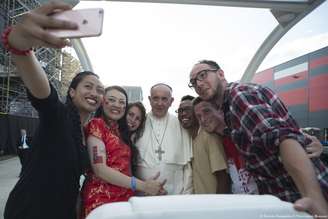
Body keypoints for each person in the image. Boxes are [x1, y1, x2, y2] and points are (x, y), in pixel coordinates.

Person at [3, 2, 105, 218]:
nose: (95, 93)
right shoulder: (58, 117)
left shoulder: (87, 132)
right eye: (88, 86)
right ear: (72, 92)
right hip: (30, 210)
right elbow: (45, 96)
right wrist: (19, 46)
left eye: (99, 90)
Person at [188, 59, 328, 216]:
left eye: (203, 75)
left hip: (304, 199)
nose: (198, 83)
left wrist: (314, 199)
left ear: (220, 73)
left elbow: (282, 138)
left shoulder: (238, 95)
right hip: (289, 200)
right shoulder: (229, 114)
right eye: (193, 82)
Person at [81, 86, 165, 218]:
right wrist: (143, 186)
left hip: (123, 202)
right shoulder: (97, 125)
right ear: (103, 102)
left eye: (122, 102)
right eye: (112, 100)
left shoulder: (119, 133)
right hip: (101, 202)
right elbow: (100, 169)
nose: (117, 105)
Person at [136, 83, 193, 195]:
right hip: (143, 193)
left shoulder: (180, 124)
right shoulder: (139, 122)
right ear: (149, 99)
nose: (159, 103)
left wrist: (187, 194)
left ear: (171, 101)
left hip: (175, 194)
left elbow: (188, 167)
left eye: (164, 99)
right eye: (155, 98)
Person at [177, 95, 230, 194]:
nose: (183, 114)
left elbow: (223, 177)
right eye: (180, 111)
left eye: (187, 110)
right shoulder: (189, 139)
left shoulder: (209, 136)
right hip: (199, 204)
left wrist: (218, 205)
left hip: (213, 204)